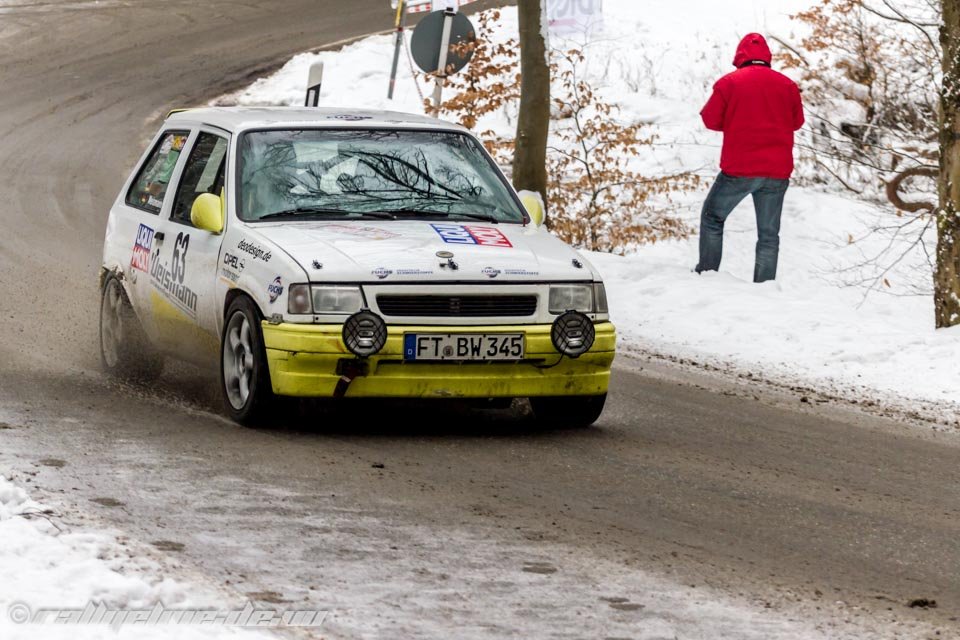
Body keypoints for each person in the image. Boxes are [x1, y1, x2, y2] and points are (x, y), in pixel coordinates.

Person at [695, 33, 804, 283]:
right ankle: (764, 287)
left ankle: (707, 275)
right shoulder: (787, 86)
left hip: (739, 170)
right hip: (777, 173)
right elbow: (797, 122)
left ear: (740, 56)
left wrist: (737, 121)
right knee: (768, 235)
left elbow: (710, 119)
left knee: (713, 218)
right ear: (767, 57)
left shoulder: (729, 83)